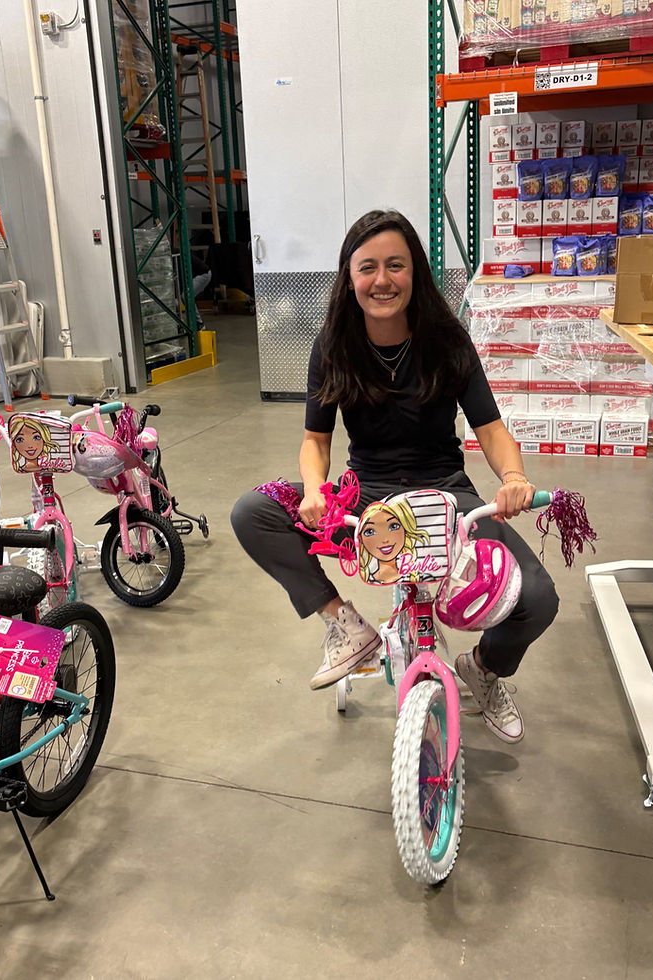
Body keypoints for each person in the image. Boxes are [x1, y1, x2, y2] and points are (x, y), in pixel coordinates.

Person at [231, 209, 559, 743]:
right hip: (367, 501)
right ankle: (347, 626)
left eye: (395, 266)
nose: (382, 280)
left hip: (447, 494)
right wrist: (315, 489)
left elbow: (491, 428)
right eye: (368, 268)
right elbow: (316, 440)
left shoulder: (447, 341)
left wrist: (514, 476)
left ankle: (482, 668)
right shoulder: (334, 345)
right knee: (254, 511)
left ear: (415, 273)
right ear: (349, 276)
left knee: (538, 598)